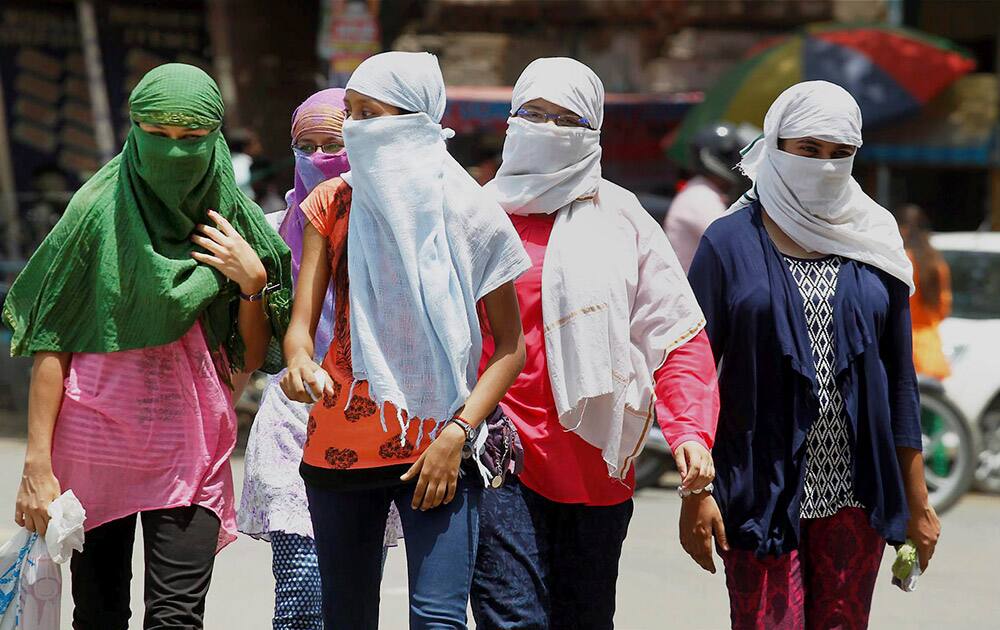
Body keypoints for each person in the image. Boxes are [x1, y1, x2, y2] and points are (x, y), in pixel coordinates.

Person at [5, 63, 292, 629]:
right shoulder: (95, 213)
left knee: (177, 618)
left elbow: (252, 357)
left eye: (191, 139)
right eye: (158, 136)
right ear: (133, 130)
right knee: (100, 613)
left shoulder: (234, 219)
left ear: (215, 137)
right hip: (93, 449)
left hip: (192, 447)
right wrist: (37, 463)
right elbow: (52, 344)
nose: (174, 154)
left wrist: (253, 284)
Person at [279, 51, 530, 630]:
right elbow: (301, 327)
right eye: (353, 115)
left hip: (439, 446)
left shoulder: (473, 212)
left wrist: (460, 431)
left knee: (438, 621)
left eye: (374, 114)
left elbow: (510, 348)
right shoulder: (331, 202)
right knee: (346, 617)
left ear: (418, 119)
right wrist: (298, 363)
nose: (360, 130)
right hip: (338, 440)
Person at [470, 57, 719, 630]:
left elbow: (675, 334)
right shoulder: (474, 214)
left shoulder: (623, 218)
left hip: (594, 466)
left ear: (594, 132)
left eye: (567, 119)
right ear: (510, 121)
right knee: (512, 621)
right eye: (533, 114)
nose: (548, 129)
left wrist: (690, 432)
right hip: (495, 450)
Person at [685, 81, 941, 629]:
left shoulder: (873, 239)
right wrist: (696, 491)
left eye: (839, 153)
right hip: (760, 488)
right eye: (808, 149)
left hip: (855, 491)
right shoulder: (728, 242)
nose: (824, 165)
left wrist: (918, 502)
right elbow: (695, 371)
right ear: (776, 146)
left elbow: (900, 380)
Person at [237, 88, 402, 629]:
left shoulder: (397, 224)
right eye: (304, 146)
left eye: (332, 144)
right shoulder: (266, 231)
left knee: (350, 589)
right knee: (303, 587)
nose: (317, 159)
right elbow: (255, 347)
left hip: (370, 420)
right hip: (293, 416)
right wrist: (254, 286)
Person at [664, 122, 759, 272]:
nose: (740, 162)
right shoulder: (700, 197)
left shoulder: (705, 192)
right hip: (695, 292)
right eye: (733, 156)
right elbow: (735, 244)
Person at [897, 204, 952, 380]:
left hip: (906, 350)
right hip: (932, 353)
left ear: (903, 230)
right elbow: (944, 308)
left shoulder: (902, 261)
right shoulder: (936, 262)